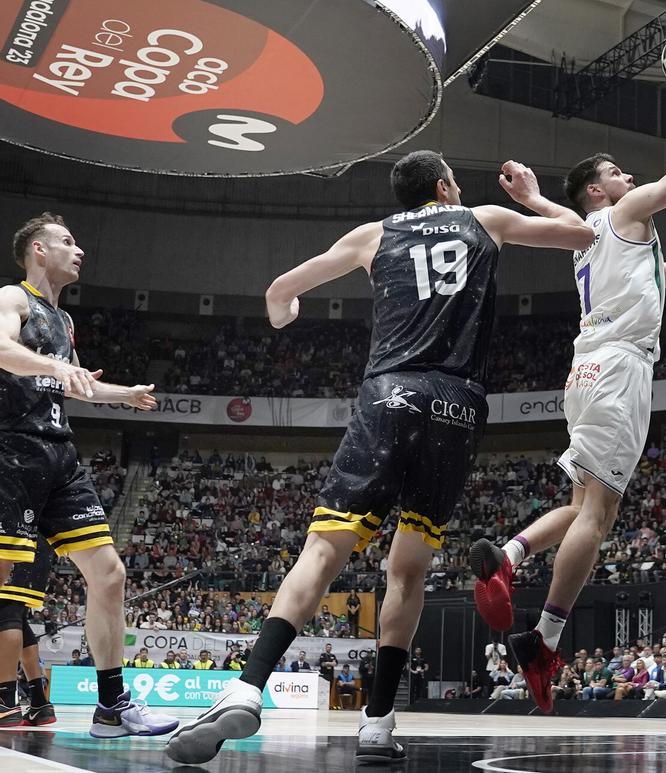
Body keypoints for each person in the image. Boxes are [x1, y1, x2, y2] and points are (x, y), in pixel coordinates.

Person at [166, 153, 594, 766]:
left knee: (322, 551)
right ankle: (377, 722)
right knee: (408, 569)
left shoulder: (375, 234)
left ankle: (246, 688)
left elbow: (281, 287)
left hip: (389, 394)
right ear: (447, 186)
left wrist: (282, 307)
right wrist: (529, 196)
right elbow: (585, 234)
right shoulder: (486, 218)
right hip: (458, 405)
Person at [469, 50, 666, 717]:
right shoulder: (626, 213)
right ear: (601, 192)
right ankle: (543, 638)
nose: (629, 176)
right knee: (599, 516)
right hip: (621, 367)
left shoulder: (589, 233)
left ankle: (510, 554)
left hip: (586, 368)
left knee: (582, 506)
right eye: (615, 173)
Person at [0, 213, 174, 739]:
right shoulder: (14, 297)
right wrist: (56, 369)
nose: (79, 251)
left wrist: (123, 395)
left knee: (110, 575)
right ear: (37, 250)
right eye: (67, 242)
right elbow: (3, 351)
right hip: (13, 451)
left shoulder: (63, 320)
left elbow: (78, 385)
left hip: (59, 455)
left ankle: (111, 706)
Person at [0, 542, 54, 727]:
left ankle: (5, 701)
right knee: (18, 619)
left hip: (13, 547)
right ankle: (39, 703)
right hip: (38, 552)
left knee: (6, 613)